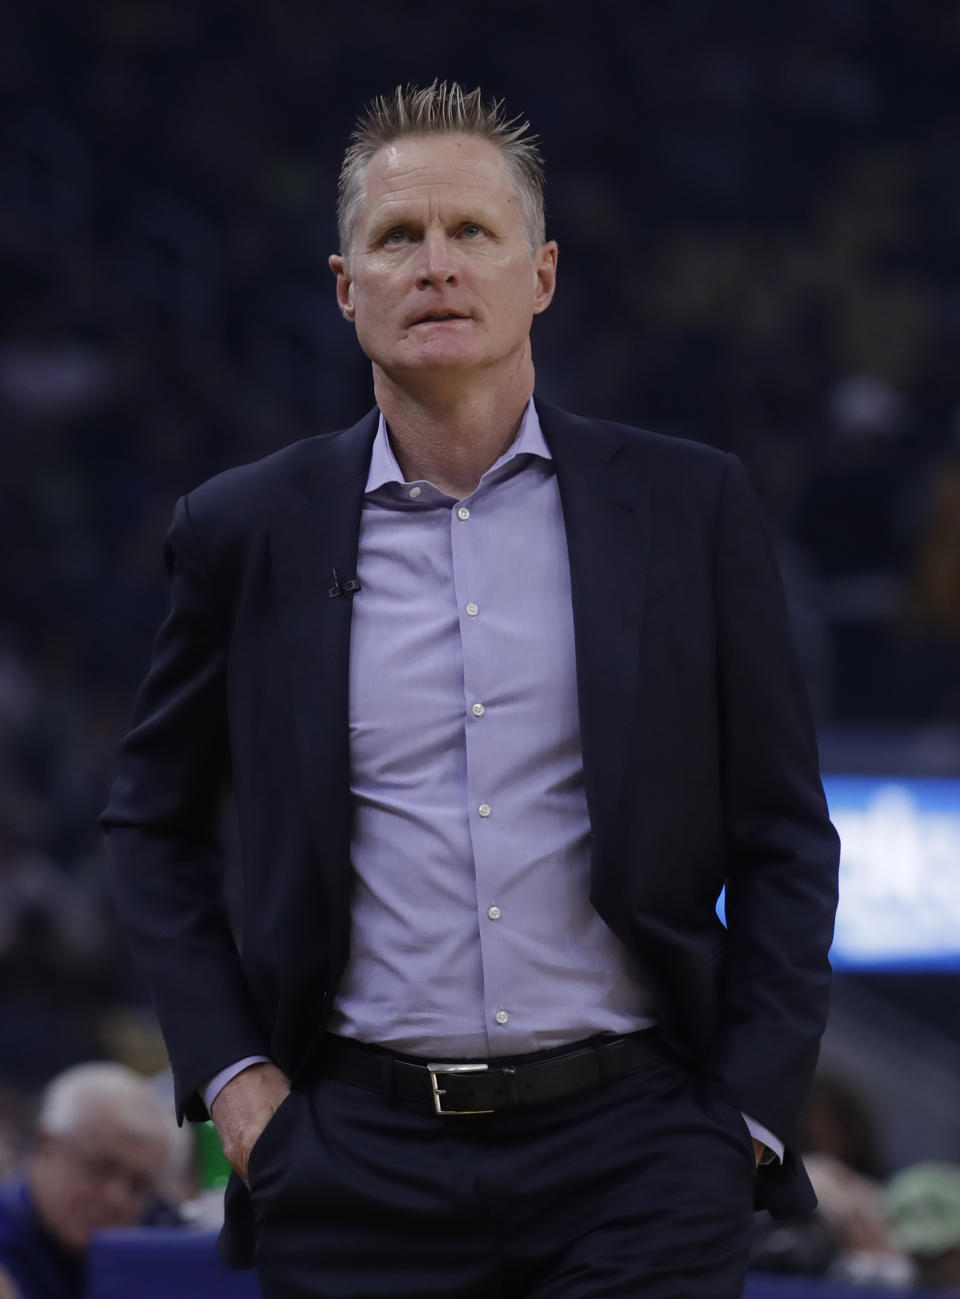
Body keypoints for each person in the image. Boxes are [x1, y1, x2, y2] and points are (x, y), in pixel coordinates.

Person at [102, 81, 840, 1298]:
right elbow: (150, 822)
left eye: (470, 234)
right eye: (397, 238)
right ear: (348, 291)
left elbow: (783, 836)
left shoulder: (687, 508)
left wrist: (743, 1120)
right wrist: (237, 1086)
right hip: (352, 1162)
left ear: (539, 275)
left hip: (641, 1154)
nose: (434, 265)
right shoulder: (243, 530)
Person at [0, 1063, 170, 1299]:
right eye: (100, 1169)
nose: (117, 1199)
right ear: (46, 1147)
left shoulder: (160, 1244)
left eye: (138, 1185)